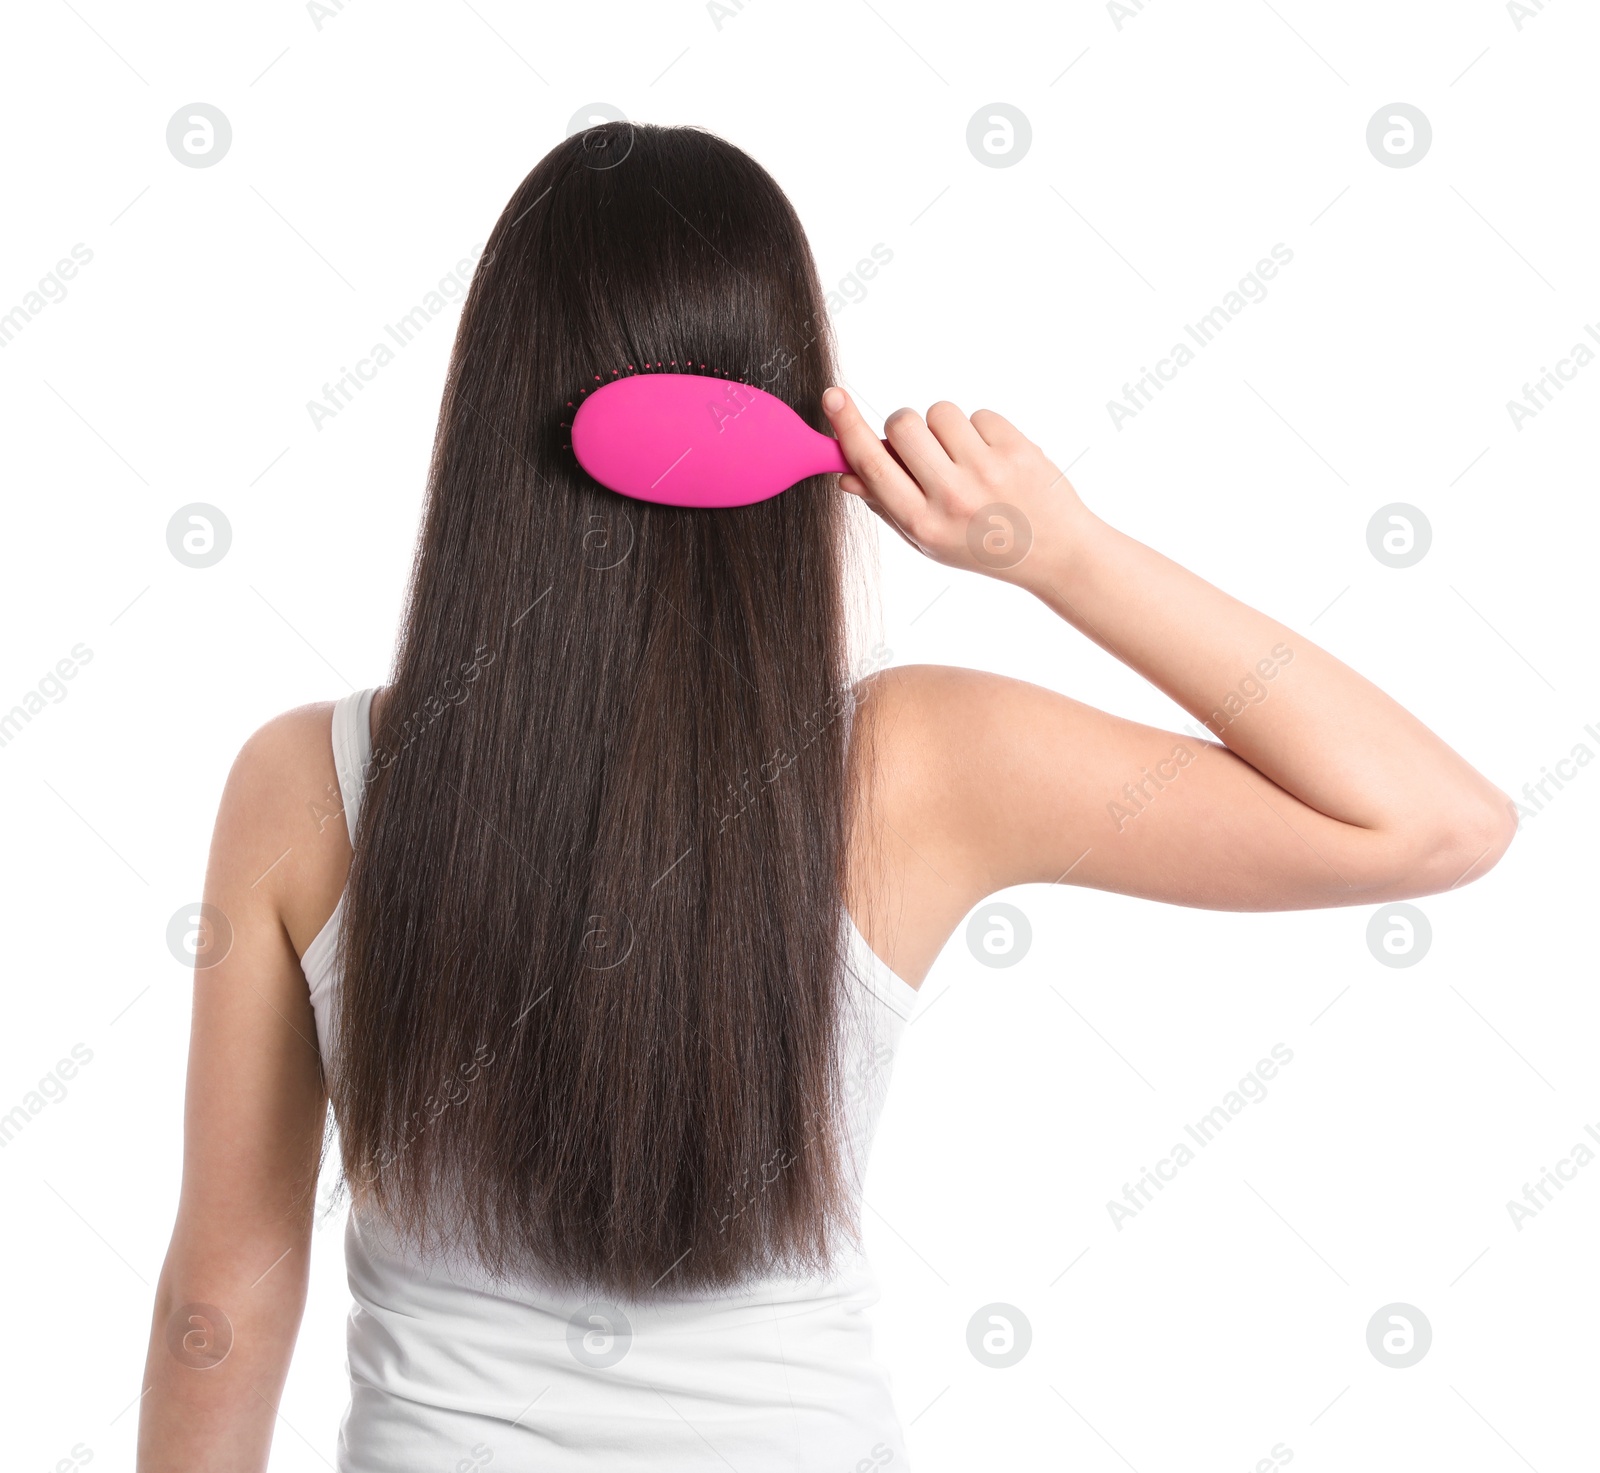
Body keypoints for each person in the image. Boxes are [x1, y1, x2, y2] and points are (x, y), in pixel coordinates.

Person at [137, 122, 1515, 1471]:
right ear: (797, 404)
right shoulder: (919, 765)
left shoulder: (302, 786)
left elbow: (225, 1300)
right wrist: (1062, 554)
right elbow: (1431, 819)